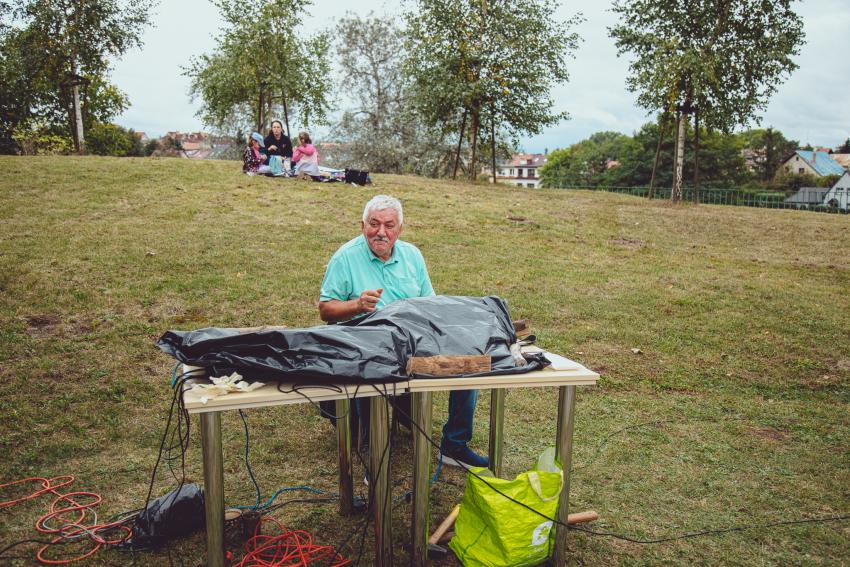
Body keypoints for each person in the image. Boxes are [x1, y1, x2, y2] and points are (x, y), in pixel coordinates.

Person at [318, 195, 489, 469]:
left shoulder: (412, 255)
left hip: (411, 344)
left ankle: (455, 445)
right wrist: (357, 305)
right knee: (371, 375)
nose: (381, 232)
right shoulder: (345, 257)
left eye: (389, 225)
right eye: (374, 224)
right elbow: (326, 310)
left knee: (470, 362)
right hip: (366, 345)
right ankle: (374, 455)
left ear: (400, 229)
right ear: (362, 226)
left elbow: (429, 304)